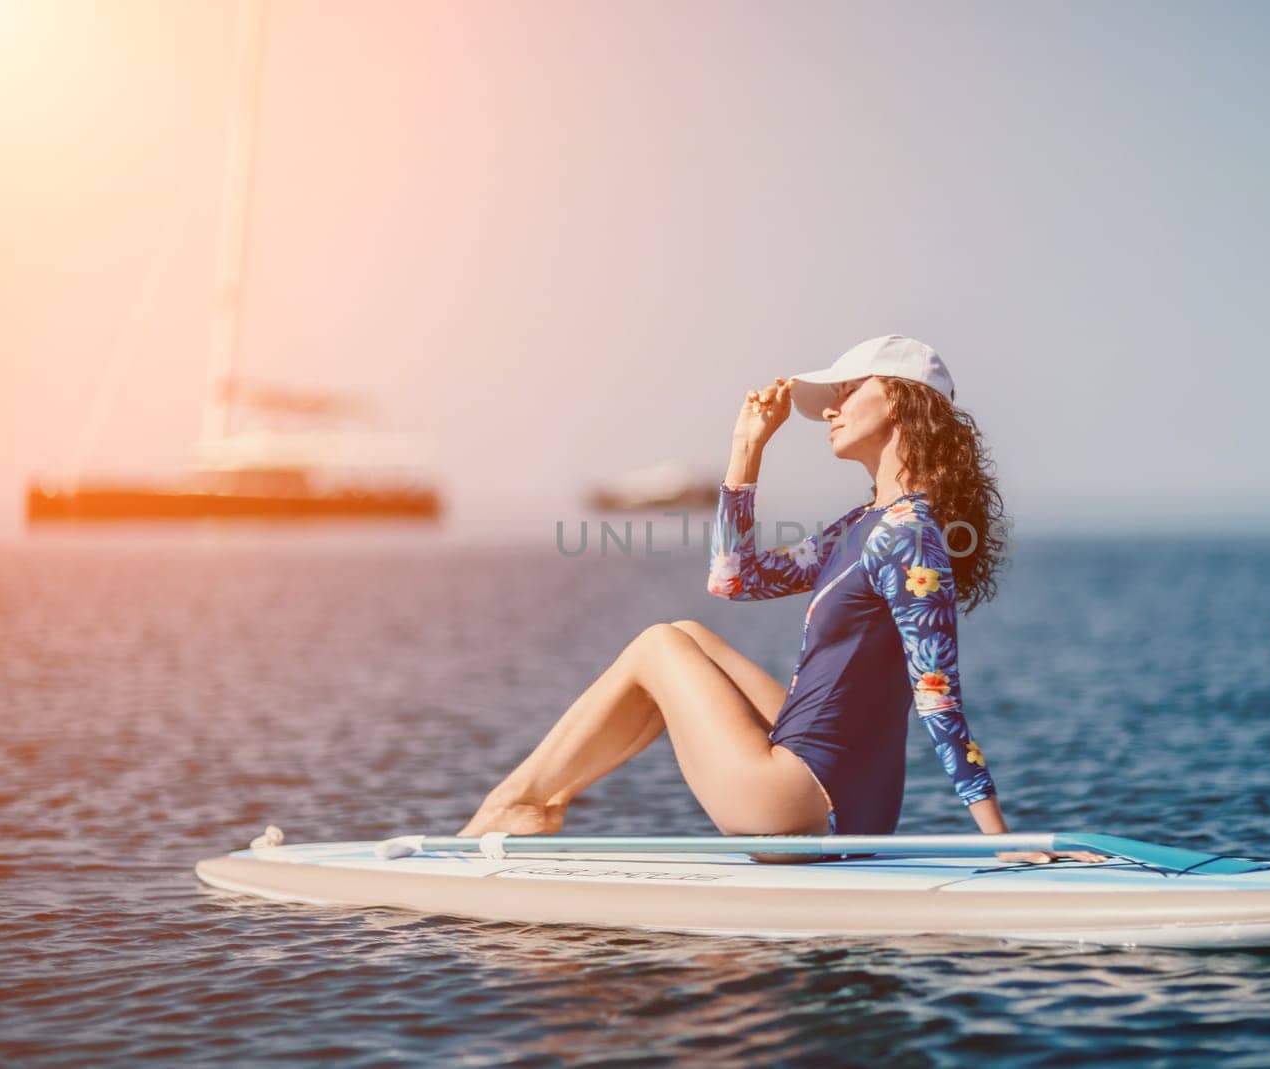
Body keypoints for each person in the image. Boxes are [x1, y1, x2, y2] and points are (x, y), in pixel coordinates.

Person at [461, 335, 1102, 865]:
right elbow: (732, 579)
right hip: (828, 796)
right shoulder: (861, 528)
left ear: (906, 404)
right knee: (685, 633)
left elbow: (938, 694)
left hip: (805, 806)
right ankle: (530, 801)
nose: (830, 409)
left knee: (657, 646)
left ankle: (523, 801)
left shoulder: (907, 538)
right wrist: (747, 449)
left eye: (848, 393)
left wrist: (1002, 840)